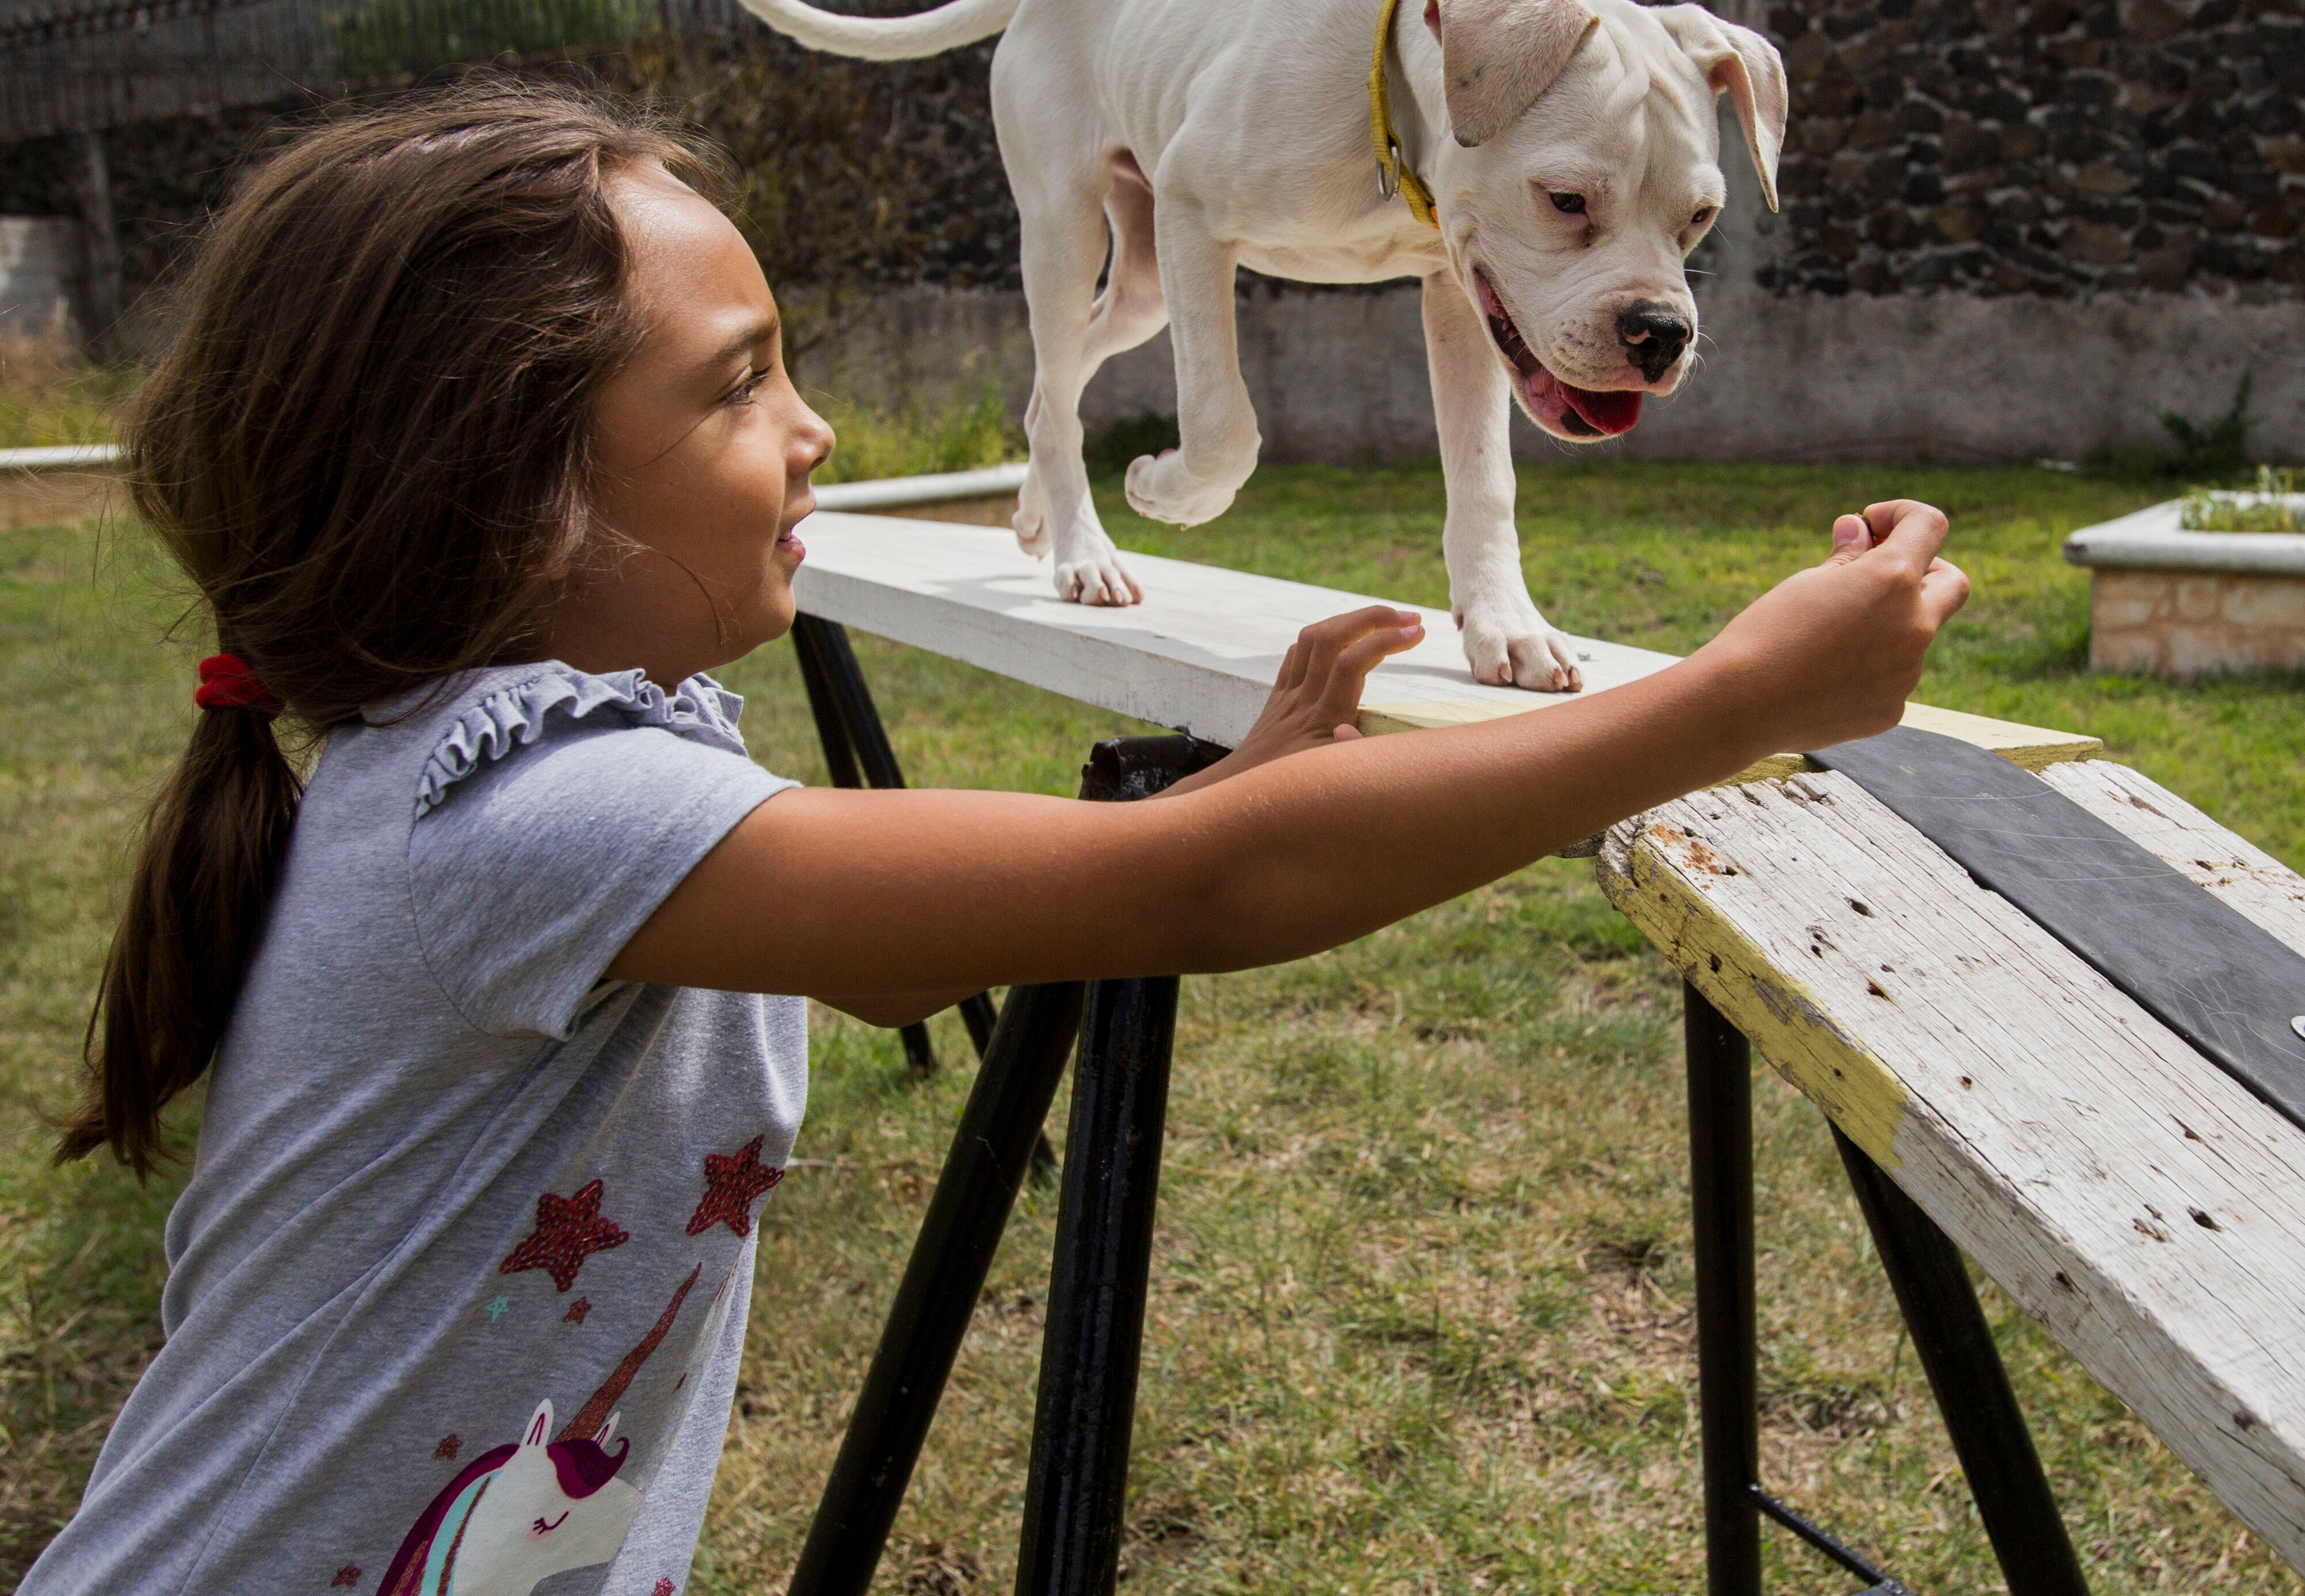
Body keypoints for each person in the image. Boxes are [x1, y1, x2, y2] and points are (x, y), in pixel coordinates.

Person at [32, 81, 1967, 1596]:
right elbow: (1198, 902)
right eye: (737, 385)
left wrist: (1237, 783)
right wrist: (1733, 705)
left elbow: (905, 959)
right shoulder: (531, 812)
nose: (817, 429)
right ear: (512, 493)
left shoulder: (557, 770)